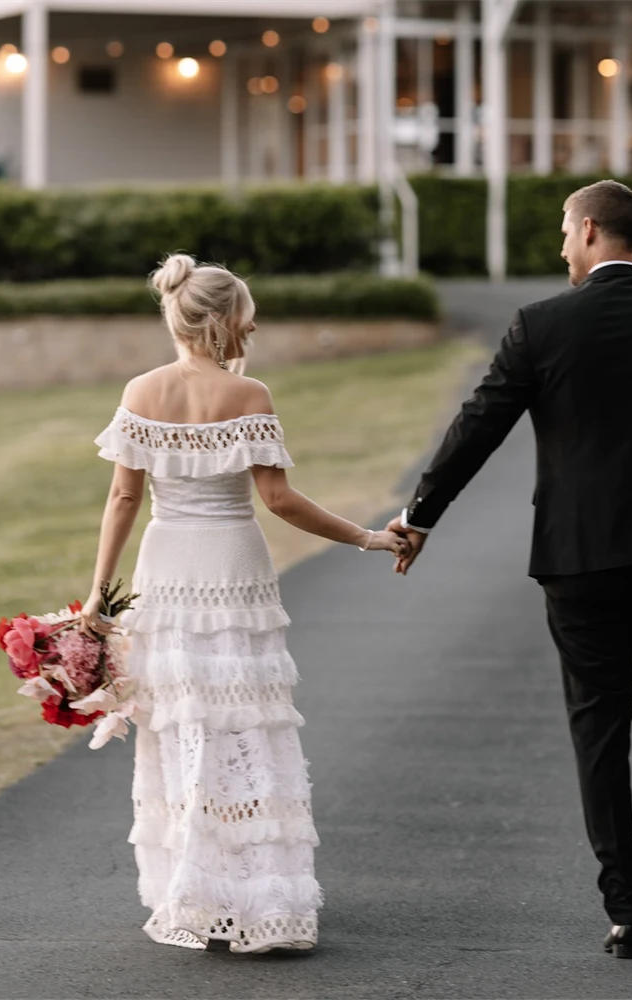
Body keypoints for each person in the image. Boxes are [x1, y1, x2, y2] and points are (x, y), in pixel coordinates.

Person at [388, 180, 632, 959]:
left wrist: (419, 517)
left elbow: (478, 424)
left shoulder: (540, 325)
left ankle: (624, 909)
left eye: (565, 231)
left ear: (591, 230)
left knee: (596, 721)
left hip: (577, 555)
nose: (561, 245)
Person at [82, 254, 409, 953]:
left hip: (166, 571)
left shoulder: (140, 391)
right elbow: (280, 500)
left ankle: (197, 892)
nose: (251, 328)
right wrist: (365, 536)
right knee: (243, 728)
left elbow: (123, 500)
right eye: (246, 317)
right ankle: (257, 894)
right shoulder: (249, 396)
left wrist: (95, 597)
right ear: (225, 321)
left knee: (183, 726)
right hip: (233, 568)